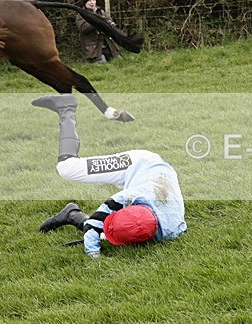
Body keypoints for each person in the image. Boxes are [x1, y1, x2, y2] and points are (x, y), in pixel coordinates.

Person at [32, 94, 187, 258]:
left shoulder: (171, 229)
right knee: (67, 168)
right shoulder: (128, 197)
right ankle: (66, 108)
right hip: (138, 163)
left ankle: (72, 214)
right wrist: (93, 251)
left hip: (157, 179)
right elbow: (101, 215)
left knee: (108, 234)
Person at [76, 0, 122, 64]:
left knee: (119, 61)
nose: (92, 2)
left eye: (93, 0)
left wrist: (111, 24)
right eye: (89, 1)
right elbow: (83, 28)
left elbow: (109, 21)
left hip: (107, 45)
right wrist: (96, 22)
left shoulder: (100, 11)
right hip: (94, 48)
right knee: (103, 63)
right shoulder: (81, 15)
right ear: (85, 3)